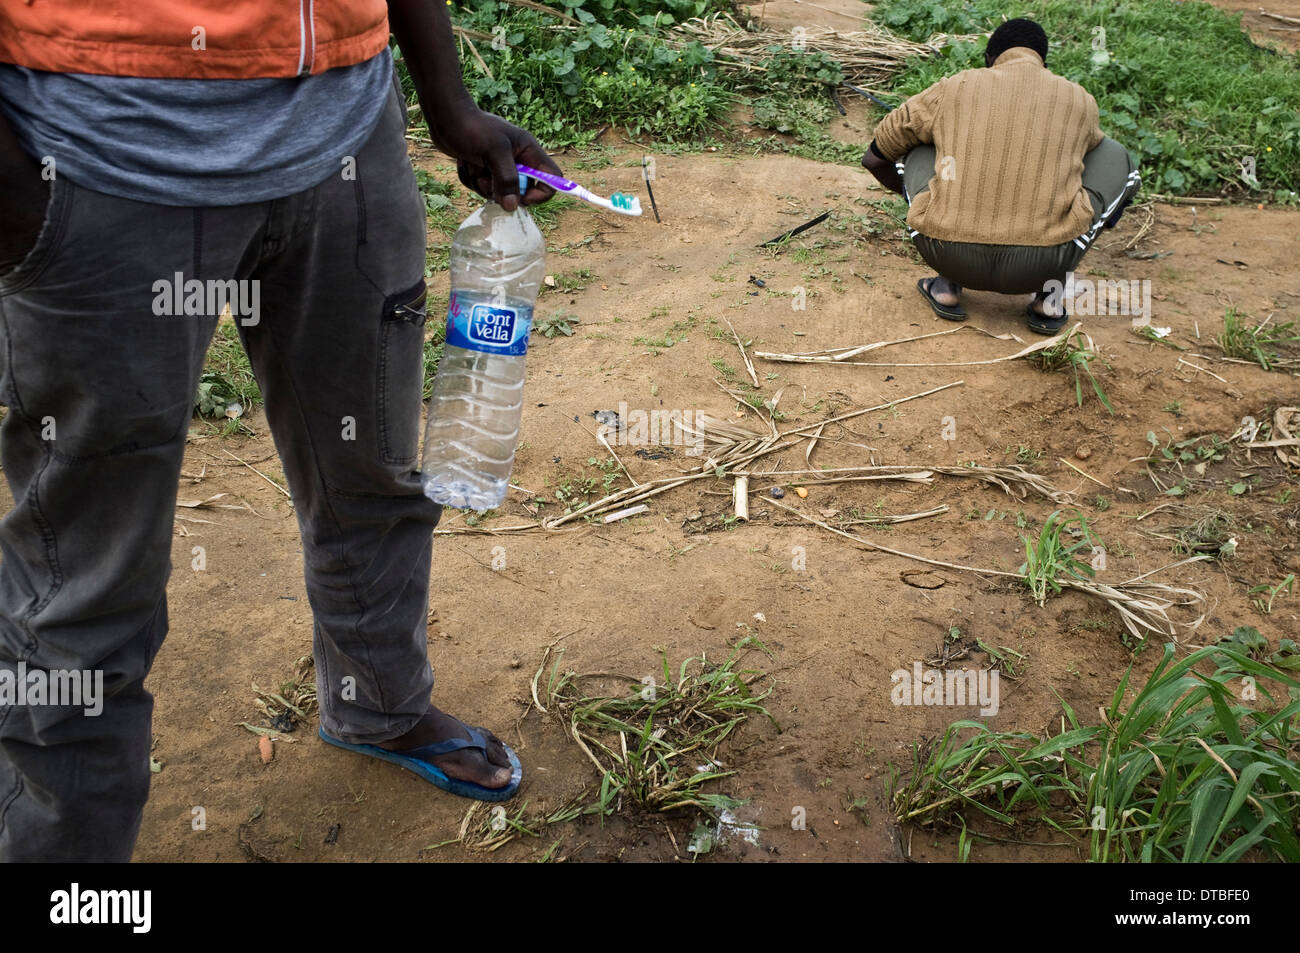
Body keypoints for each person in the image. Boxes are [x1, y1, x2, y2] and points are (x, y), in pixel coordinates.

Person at [0, 0, 562, 862]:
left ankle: (378, 701)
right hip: (104, 160)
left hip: (346, 136)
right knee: (86, 579)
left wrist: (447, 107)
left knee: (371, 469)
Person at [860, 18, 1140, 334]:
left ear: (989, 59)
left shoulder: (954, 87)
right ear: (1043, 63)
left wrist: (925, 201)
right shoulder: (1080, 100)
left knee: (923, 146)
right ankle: (1050, 296)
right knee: (1113, 153)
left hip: (945, 251)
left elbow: (874, 157)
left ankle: (946, 286)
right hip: (1045, 262)